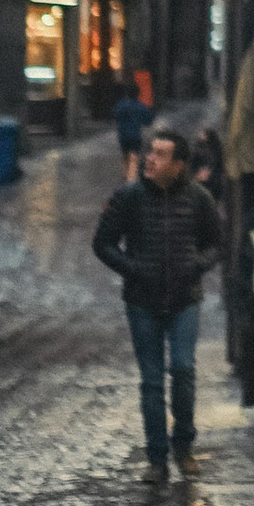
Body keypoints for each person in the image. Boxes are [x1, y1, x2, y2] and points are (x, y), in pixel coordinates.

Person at [93, 126, 223, 478]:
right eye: (150, 152)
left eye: (160, 154)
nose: (149, 159)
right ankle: (156, 458)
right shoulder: (129, 198)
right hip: (142, 301)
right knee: (151, 380)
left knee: (182, 369)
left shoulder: (199, 198)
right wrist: (134, 269)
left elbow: (216, 243)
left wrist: (196, 265)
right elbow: (103, 243)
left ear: (178, 165)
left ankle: (184, 446)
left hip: (185, 299)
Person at [112, 75, 149, 180]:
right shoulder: (141, 106)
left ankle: (125, 173)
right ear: (138, 94)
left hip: (123, 135)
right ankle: (131, 176)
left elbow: (115, 115)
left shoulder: (121, 105)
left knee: (125, 155)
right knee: (134, 156)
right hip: (136, 135)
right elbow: (147, 121)